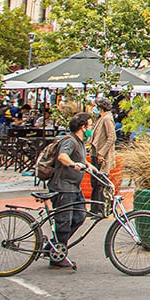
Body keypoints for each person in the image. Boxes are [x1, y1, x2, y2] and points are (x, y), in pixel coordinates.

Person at [48, 112, 91, 269]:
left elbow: (84, 161)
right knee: (64, 222)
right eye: (90, 125)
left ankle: (52, 247)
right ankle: (57, 255)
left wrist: (96, 171)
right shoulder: (70, 141)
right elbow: (62, 157)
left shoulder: (79, 142)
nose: (91, 128)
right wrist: (73, 165)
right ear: (82, 127)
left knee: (80, 216)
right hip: (63, 187)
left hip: (74, 187)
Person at [88, 97, 117, 217]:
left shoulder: (107, 119)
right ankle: (94, 209)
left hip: (101, 155)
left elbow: (111, 137)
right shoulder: (103, 118)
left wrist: (101, 153)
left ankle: (100, 209)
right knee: (95, 182)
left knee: (100, 183)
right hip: (96, 154)